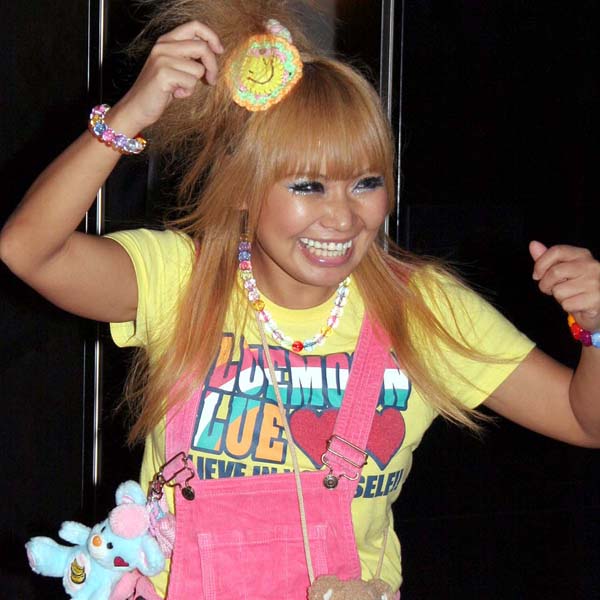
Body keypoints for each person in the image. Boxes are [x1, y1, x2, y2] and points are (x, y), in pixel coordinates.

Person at [2, 1, 599, 598]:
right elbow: (27, 250)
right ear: (243, 187)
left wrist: (596, 327)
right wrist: (129, 115)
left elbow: (583, 420)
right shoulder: (180, 280)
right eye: (308, 185)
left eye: (366, 182)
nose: (342, 217)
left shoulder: (421, 308)